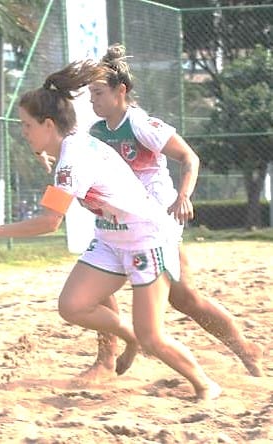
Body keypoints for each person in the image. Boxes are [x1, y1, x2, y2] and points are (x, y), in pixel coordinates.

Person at [0, 60, 221, 401]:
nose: (23, 131)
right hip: (112, 238)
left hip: (147, 238)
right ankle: (127, 335)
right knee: (72, 305)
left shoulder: (73, 160)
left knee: (153, 337)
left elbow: (48, 222)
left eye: (26, 125)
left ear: (48, 124)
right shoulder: (72, 149)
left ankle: (205, 384)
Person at [75, 43, 262, 380]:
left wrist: (184, 196)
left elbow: (190, 158)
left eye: (98, 93)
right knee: (97, 287)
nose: (93, 101)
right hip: (121, 225)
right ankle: (105, 359)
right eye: (90, 94)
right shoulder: (95, 133)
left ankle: (243, 347)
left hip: (155, 223)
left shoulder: (142, 124)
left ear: (122, 91)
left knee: (186, 298)